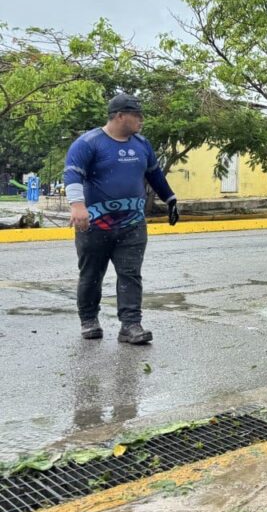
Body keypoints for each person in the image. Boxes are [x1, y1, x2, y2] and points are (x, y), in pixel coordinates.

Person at [63, 94, 180, 344]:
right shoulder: (88, 143)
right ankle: (89, 320)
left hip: (132, 224)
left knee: (130, 274)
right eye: (136, 115)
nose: (141, 120)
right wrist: (77, 206)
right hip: (94, 224)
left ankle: (130, 325)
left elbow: (154, 174)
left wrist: (169, 197)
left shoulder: (142, 144)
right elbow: (72, 175)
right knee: (91, 274)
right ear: (119, 116)